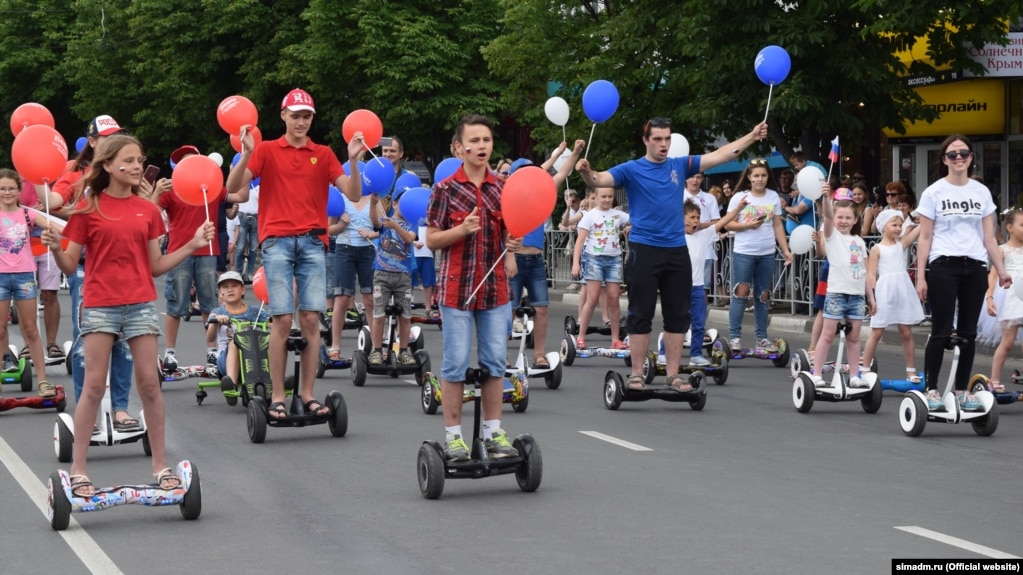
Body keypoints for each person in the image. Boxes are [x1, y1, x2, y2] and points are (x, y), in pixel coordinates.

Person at [42, 134, 215, 497]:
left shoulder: (148, 210)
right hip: (101, 305)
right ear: (106, 165)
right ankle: (78, 470)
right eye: (130, 160)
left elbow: (156, 266)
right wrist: (57, 249)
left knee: (150, 385)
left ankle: (160, 466)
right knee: (92, 386)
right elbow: (71, 264)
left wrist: (194, 244)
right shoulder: (88, 208)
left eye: (140, 159)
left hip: (140, 305)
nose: (138, 166)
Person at [576, 116, 769, 392]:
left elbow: (720, 155)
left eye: (667, 138)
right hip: (645, 249)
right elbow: (599, 179)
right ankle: (636, 374)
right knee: (640, 313)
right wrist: (585, 170)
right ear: (646, 140)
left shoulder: (680, 165)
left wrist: (751, 136)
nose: (664, 144)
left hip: (676, 251)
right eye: (658, 139)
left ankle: (673, 375)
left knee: (677, 315)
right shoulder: (632, 169)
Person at [226, 88, 365, 420]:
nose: (301, 122)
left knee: (311, 319)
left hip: (314, 242)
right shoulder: (267, 150)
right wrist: (246, 153)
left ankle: (306, 393)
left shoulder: (324, 153)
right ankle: (277, 395)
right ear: (284, 116)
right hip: (277, 242)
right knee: (283, 319)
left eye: (307, 116)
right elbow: (233, 186)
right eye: (296, 115)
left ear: (311, 119)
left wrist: (355, 161)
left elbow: (355, 192)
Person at [425, 114, 522, 461]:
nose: (482, 146)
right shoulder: (445, 189)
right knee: (454, 365)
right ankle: (453, 437)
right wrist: (461, 231)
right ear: (459, 147)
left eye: (487, 140)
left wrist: (513, 242)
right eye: (475, 140)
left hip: (495, 291)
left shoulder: (502, 188)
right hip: (457, 292)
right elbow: (432, 240)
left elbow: (511, 232)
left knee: (495, 363)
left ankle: (494, 433)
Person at [50, 114, 136, 429]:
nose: (112, 141)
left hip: (126, 267)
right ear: (93, 142)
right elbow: (54, 201)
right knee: (87, 340)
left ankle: (121, 409)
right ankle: (89, 412)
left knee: (124, 339)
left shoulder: (127, 171)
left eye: (118, 135)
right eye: (106, 137)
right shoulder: (76, 176)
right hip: (86, 268)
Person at [915, 133, 1010, 411]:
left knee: (968, 332)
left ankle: (960, 390)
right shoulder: (933, 192)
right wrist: (921, 276)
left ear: (971, 158)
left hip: (976, 266)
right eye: (953, 154)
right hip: (944, 265)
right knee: (941, 330)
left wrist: (1001, 271)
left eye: (964, 153)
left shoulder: (981, 192)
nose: (959, 158)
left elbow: (990, 237)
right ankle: (931, 389)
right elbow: (925, 237)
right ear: (944, 159)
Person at [507, 140, 584, 367]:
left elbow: (561, 173)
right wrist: (509, 258)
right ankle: (501, 356)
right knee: (508, 310)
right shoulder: (508, 197)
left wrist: (575, 153)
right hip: (515, 259)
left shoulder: (541, 192)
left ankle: (539, 355)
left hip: (536, 260)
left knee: (541, 307)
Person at [152, 145, 227, 371]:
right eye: (183, 161)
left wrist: (243, 162)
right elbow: (150, 212)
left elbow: (239, 195)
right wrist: (155, 193)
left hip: (207, 252)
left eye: (192, 160)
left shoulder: (212, 188)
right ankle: (170, 353)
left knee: (209, 303)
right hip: (179, 252)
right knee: (176, 303)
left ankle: (212, 351)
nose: (188, 165)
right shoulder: (172, 189)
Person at [723, 159, 793, 353]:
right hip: (744, 252)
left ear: (767, 177)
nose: (760, 179)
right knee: (741, 294)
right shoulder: (740, 197)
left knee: (763, 296)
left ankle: (762, 338)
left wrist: (785, 249)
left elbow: (778, 225)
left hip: (767, 253)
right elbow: (728, 224)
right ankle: (734, 337)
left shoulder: (773, 197)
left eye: (763, 175)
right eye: (756, 176)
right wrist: (747, 225)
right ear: (749, 177)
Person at [0, 169, 60, 396]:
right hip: (1, 278)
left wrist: (83, 234)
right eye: (2, 189)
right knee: (0, 329)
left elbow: (55, 226)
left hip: (25, 276)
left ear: (18, 190)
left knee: (31, 330)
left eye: (11, 188)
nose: (6, 192)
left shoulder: (28, 215)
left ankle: (43, 382)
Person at [808, 187, 872, 386]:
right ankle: (816, 374)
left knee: (854, 338)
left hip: (856, 296)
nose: (843, 221)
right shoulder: (832, 237)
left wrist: (871, 298)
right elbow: (827, 216)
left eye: (848, 217)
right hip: (836, 294)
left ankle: (854, 376)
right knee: (827, 335)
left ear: (855, 220)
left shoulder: (859, 242)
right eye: (840, 217)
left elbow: (865, 273)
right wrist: (827, 199)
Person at [860, 209, 923, 381]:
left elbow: (920, 229)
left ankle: (911, 371)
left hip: (902, 290)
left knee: (906, 332)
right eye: (894, 225)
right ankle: (865, 368)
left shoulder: (900, 244)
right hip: (885, 291)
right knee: (877, 331)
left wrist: (923, 218)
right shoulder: (876, 248)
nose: (898, 228)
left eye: (900, 225)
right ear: (883, 227)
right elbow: (871, 274)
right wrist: (871, 297)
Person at [683, 196, 745, 365]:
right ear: (682, 219)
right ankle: (665, 353)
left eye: (698, 217)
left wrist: (738, 209)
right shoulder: (674, 237)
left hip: (697, 287)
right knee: (678, 323)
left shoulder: (703, 236)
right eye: (692, 218)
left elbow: (722, 222)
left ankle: (696, 354)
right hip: (679, 288)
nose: (696, 221)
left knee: (698, 323)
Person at [327, 170, 379, 361]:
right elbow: (329, 229)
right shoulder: (340, 198)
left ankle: (376, 348)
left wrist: (371, 231)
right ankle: (335, 346)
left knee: (370, 300)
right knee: (341, 298)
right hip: (344, 249)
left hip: (367, 250)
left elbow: (378, 226)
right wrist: (341, 225)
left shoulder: (373, 197)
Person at [571, 185, 630, 350]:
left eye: (610, 196)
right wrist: (576, 263)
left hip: (614, 259)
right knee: (592, 298)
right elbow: (580, 241)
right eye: (603, 196)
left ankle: (615, 339)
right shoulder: (589, 216)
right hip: (594, 259)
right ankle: (581, 337)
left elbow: (636, 220)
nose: (607, 200)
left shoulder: (618, 215)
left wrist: (630, 226)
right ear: (595, 197)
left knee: (614, 299)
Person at [368, 188, 417, 366]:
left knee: (404, 316)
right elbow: (374, 221)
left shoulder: (412, 224)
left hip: (403, 276)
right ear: (395, 204)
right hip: (382, 274)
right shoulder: (384, 220)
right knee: (379, 314)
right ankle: (376, 350)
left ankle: (403, 350)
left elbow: (409, 239)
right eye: (401, 202)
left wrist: (395, 226)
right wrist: (373, 205)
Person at [204, 271, 270, 389]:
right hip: (226, 360)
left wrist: (282, 323)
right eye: (225, 287)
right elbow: (210, 338)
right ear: (220, 293)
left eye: (234, 286)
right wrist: (216, 322)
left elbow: (273, 324)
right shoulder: (217, 312)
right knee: (235, 343)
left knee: (270, 341)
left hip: (255, 356)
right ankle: (232, 384)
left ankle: (278, 381)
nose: (230, 290)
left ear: (243, 290)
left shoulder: (256, 311)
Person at [982, 208, 1023, 395]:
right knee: (1007, 341)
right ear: (1009, 228)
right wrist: (990, 298)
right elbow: (992, 276)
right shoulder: (1002, 250)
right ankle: (995, 380)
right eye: (1022, 225)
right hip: (1012, 298)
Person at [683, 172, 719, 294]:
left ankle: (701, 312)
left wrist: (701, 225)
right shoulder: (677, 196)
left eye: (698, 177)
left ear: (702, 179)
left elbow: (717, 221)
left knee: (703, 289)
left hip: (704, 248)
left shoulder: (710, 198)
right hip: (682, 248)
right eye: (692, 176)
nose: (695, 180)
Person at [233, 179, 259, 282]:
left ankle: (250, 272)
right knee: (240, 247)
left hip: (254, 217)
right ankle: (238, 272)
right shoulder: (241, 184)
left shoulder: (257, 186)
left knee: (253, 248)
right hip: (242, 216)